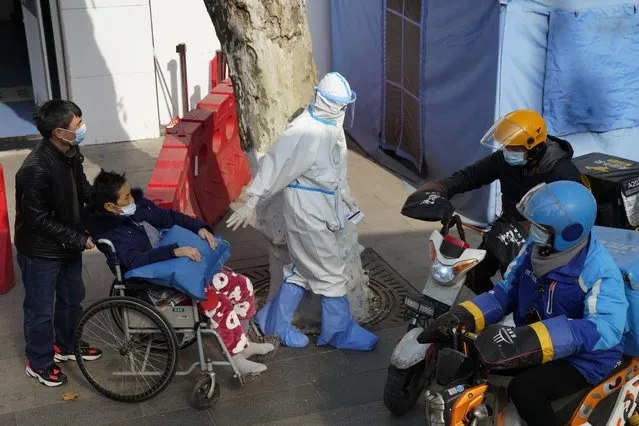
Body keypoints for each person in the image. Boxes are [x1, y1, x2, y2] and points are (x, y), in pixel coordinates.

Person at [418, 181, 628, 426]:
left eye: (539, 227)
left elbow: (605, 328)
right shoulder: (536, 248)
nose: (530, 230)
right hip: (534, 339)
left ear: (569, 232)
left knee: (525, 390)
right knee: (477, 359)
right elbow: (506, 291)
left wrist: (532, 339)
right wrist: (464, 315)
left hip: (583, 359)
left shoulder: (599, 270)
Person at [226, 72, 378, 350]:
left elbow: (336, 171)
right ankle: (337, 333)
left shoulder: (331, 126)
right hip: (308, 215)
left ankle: (273, 322)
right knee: (331, 274)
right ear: (324, 100)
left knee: (303, 269)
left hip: (324, 209)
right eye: (338, 105)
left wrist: (348, 200)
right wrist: (251, 200)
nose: (342, 111)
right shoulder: (303, 130)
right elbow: (275, 163)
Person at [86, 170, 275, 376]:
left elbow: (169, 216)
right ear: (110, 206)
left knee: (241, 284)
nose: (132, 199)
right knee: (217, 301)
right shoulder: (112, 233)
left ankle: (244, 342)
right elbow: (134, 261)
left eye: (130, 193)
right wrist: (174, 251)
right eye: (126, 197)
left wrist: (199, 228)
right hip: (157, 285)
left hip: (177, 270)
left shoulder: (138, 208)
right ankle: (236, 357)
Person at [415, 110, 584, 294]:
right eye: (506, 146)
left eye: (514, 148)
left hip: (540, 240)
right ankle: (495, 306)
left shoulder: (562, 173)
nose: (508, 151)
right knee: (473, 275)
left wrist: (528, 228)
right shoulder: (506, 160)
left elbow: (573, 217)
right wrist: (442, 187)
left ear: (534, 148)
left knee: (517, 286)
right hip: (506, 228)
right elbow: (472, 175)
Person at [14, 100, 102, 387]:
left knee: (71, 298)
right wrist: (78, 238)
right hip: (41, 250)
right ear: (58, 132)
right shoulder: (36, 168)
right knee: (40, 310)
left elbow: (82, 186)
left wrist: (101, 203)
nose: (82, 127)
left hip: (67, 245)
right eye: (77, 124)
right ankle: (39, 362)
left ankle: (66, 345)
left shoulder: (71, 151)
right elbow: (37, 219)